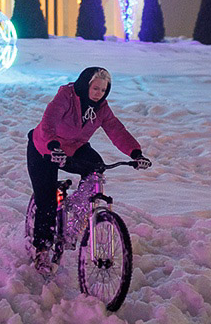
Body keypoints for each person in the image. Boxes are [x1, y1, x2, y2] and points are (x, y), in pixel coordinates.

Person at [27, 67, 151, 273]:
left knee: (97, 168)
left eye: (103, 90)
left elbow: (116, 130)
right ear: (85, 85)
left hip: (74, 148)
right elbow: (49, 121)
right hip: (45, 149)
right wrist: (51, 145)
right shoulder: (66, 97)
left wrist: (135, 153)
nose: (98, 94)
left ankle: (77, 210)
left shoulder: (101, 108)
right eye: (95, 88)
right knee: (46, 201)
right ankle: (41, 250)